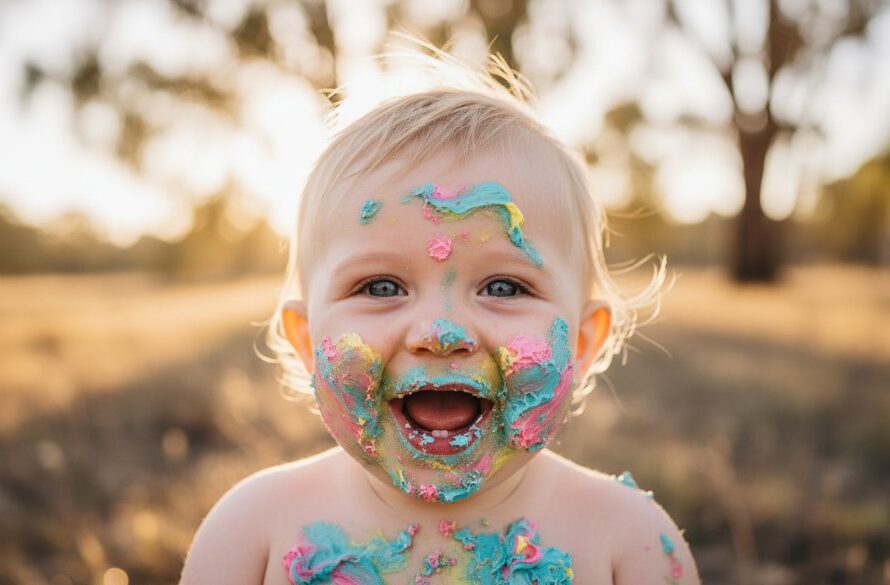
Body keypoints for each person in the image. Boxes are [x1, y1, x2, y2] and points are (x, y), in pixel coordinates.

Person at [180, 47, 700, 584]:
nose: (440, 332)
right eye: (381, 286)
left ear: (585, 342)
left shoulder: (628, 543)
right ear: (308, 341)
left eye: (503, 286)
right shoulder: (251, 534)